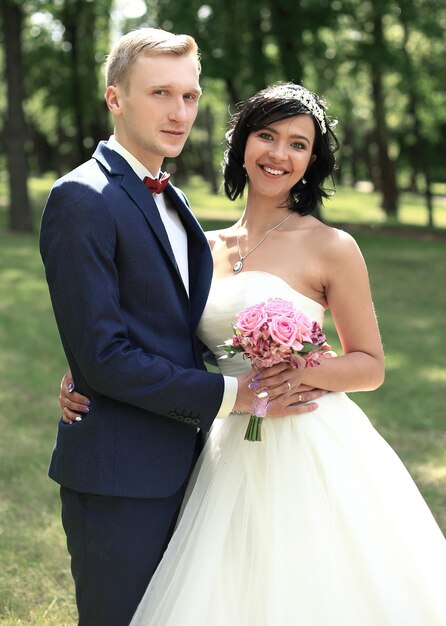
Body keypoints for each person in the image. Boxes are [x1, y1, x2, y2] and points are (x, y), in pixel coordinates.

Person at [60, 82, 446, 625]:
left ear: (312, 161)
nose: (278, 154)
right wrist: (87, 372)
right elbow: (159, 335)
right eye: (267, 136)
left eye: (298, 144)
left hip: (307, 436)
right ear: (243, 143)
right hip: (225, 435)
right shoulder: (202, 245)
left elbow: (371, 365)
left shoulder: (332, 247)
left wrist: (302, 368)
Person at [40, 30, 324, 626]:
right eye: (160, 93)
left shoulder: (175, 202)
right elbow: (105, 355)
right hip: (121, 474)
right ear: (115, 99)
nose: (179, 112)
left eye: (190, 96)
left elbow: (166, 323)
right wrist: (233, 393)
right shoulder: (80, 197)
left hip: (196, 465)